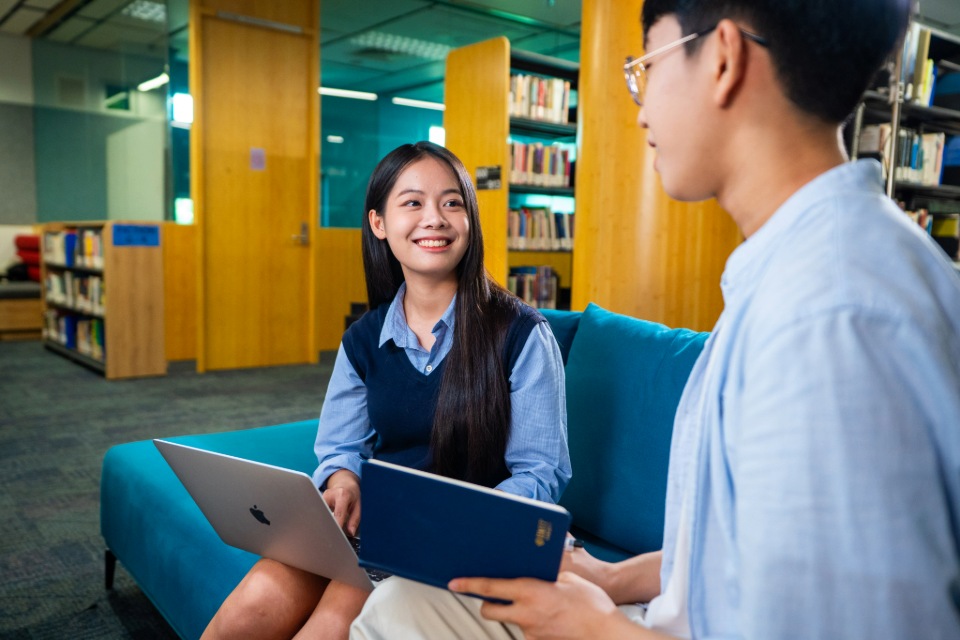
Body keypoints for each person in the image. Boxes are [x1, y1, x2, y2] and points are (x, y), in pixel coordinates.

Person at [350, 1, 960, 638]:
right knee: (399, 607)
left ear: (722, 57)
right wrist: (611, 582)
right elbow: (746, 550)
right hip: (660, 615)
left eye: (646, 66)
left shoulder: (832, 314)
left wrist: (598, 629)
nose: (639, 107)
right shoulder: (808, 267)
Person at [201, 141, 572, 639]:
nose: (435, 218)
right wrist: (342, 482)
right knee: (252, 604)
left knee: (332, 619)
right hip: (371, 525)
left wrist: (462, 521)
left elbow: (541, 472)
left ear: (470, 219)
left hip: (455, 539)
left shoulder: (522, 333)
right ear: (379, 223)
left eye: (452, 202)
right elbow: (339, 447)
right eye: (413, 202)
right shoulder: (363, 339)